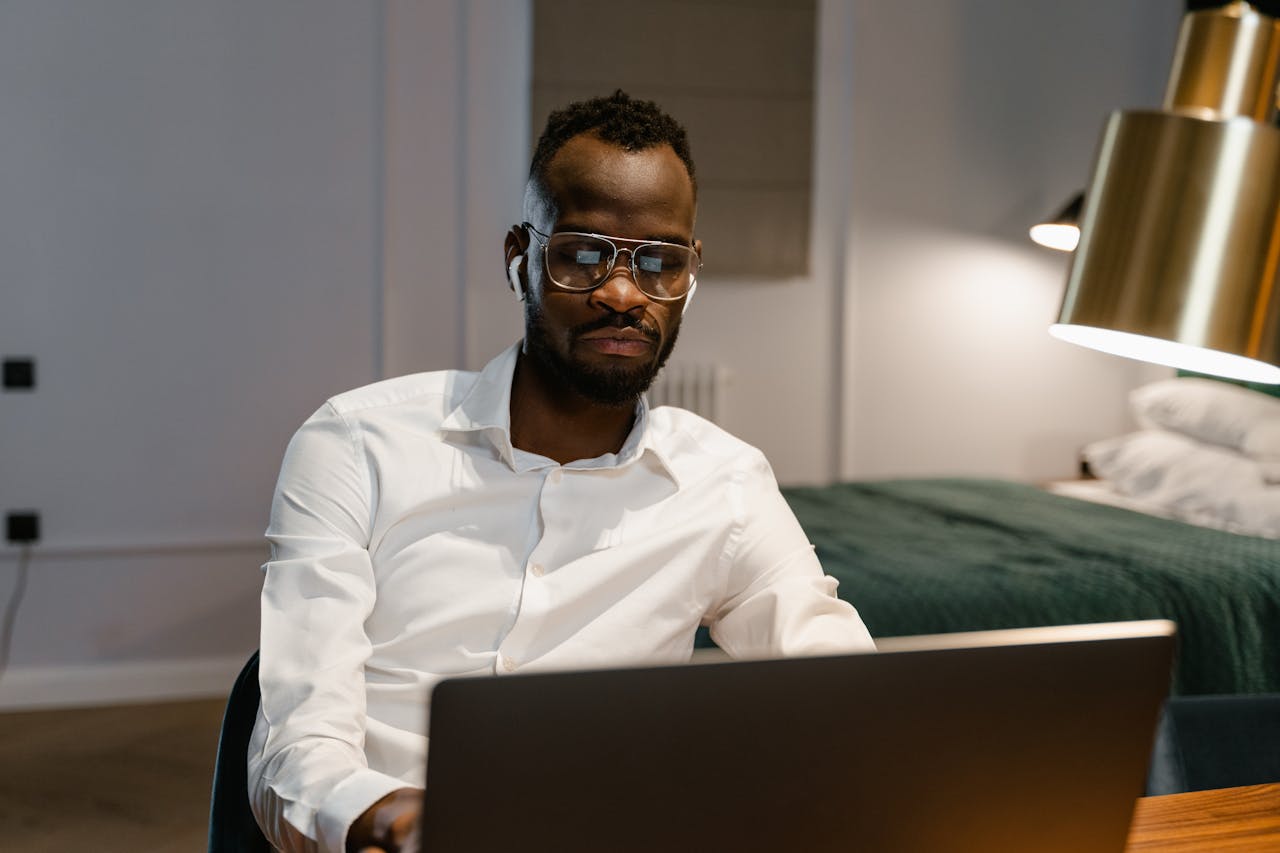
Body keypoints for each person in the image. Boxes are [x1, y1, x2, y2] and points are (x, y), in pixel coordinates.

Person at [247, 90, 874, 853]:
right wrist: (388, 817)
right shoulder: (357, 444)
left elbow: (846, 700)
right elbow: (295, 746)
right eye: (583, 253)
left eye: (659, 263)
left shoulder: (726, 483)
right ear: (521, 256)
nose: (621, 293)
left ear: (690, 274)